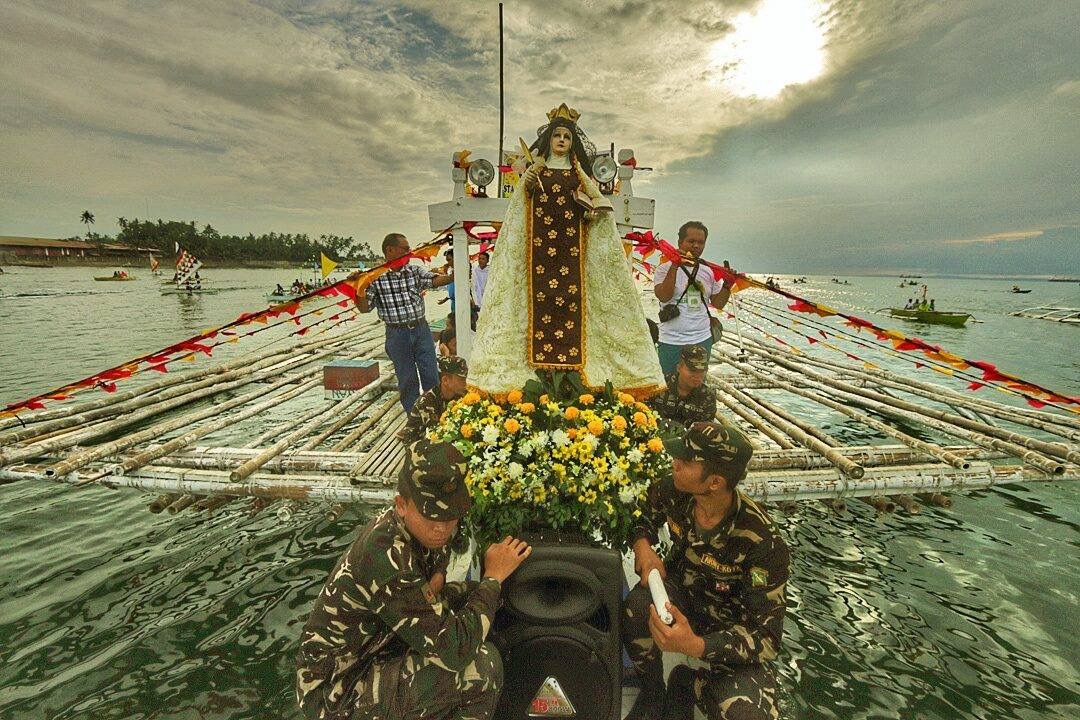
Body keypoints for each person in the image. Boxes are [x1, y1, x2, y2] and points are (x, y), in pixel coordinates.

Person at [297, 439, 533, 720]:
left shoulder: (428, 527)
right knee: (481, 668)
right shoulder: (387, 557)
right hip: (337, 691)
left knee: (475, 598)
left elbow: (440, 571)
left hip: (379, 644)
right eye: (431, 517)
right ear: (401, 505)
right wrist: (492, 578)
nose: (441, 528)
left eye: (450, 515)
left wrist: (452, 582)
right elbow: (457, 653)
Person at [467, 103, 664, 398]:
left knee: (575, 310)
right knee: (534, 308)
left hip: (572, 256)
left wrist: (590, 211)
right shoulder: (537, 171)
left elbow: (600, 206)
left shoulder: (578, 173)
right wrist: (528, 184)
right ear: (549, 140)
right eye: (557, 135)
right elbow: (519, 212)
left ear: (573, 143)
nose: (561, 140)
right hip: (538, 256)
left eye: (566, 136)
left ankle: (575, 379)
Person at [623, 421, 789, 720]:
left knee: (747, 715)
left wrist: (697, 646)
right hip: (680, 598)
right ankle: (652, 692)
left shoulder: (763, 543)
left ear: (714, 482)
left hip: (727, 632)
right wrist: (643, 547)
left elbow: (766, 639)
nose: (675, 464)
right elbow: (641, 514)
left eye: (685, 462)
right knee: (636, 607)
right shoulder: (674, 489)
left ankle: (688, 684)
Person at [357, 233, 453, 412]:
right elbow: (364, 308)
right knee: (407, 379)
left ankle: (436, 414)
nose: (410, 252)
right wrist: (359, 288)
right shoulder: (375, 277)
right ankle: (415, 418)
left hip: (420, 330)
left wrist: (454, 275)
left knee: (431, 374)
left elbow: (433, 281)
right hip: (396, 334)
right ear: (390, 250)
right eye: (405, 249)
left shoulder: (414, 271)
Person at [653, 221, 732, 376]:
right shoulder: (664, 268)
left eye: (701, 243)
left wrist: (728, 284)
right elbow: (663, 295)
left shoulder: (709, 271)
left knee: (696, 387)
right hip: (670, 339)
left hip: (701, 338)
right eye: (691, 241)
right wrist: (675, 265)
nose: (696, 246)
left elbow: (718, 303)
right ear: (680, 242)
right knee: (667, 386)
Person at [397, 355, 468, 445]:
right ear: (445, 380)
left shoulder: (460, 394)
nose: (466, 383)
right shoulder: (426, 402)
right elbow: (436, 435)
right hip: (419, 445)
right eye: (462, 379)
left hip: (441, 439)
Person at [647, 346, 718, 429]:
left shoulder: (707, 395)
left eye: (702, 371)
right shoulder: (659, 385)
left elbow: (705, 429)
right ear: (679, 368)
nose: (697, 376)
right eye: (692, 371)